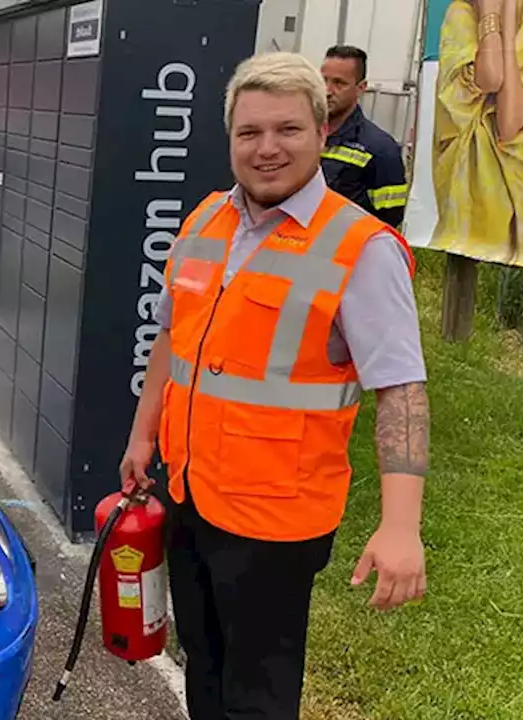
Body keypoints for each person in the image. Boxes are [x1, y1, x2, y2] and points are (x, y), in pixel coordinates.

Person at [119, 52, 430, 720]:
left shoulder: (361, 248)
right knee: (202, 663)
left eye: (287, 130)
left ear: (324, 132)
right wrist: (143, 434)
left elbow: (400, 389)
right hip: (188, 491)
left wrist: (402, 526)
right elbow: (173, 340)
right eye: (249, 132)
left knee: (257, 695)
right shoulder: (205, 220)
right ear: (230, 138)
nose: (267, 148)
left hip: (276, 519)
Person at [428, 0, 523, 273]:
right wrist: (490, 15)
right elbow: (491, 77)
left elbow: (510, 122)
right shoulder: (460, 14)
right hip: (468, 211)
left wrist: (510, 19)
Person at [319, 45, 409, 229]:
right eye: (323, 80)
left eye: (339, 83)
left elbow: (389, 220)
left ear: (361, 88)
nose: (327, 91)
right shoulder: (298, 134)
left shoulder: (380, 150)